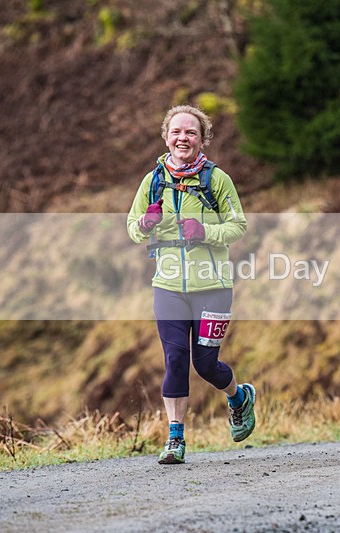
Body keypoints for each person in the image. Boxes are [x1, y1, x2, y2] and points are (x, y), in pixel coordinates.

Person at [127, 105, 254, 464]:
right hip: (167, 285)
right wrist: (146, 225)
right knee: (175, 359)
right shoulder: (152, 182)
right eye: (177, 132)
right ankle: (175, 439)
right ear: (166, 136)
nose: (183, 138)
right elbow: (132, 228)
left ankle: (239, 396)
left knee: (205, 363)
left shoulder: (217, 180)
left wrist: (206, 232)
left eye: (191, 133)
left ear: (202, 139)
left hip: (213, 286)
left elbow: (239, 225)